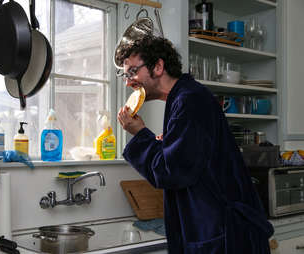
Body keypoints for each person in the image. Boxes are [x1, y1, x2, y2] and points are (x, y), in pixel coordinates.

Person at [116, 35, 274, 254]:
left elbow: (172, 171)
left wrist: (140, 133)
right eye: (125, 75)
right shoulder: (184, 98)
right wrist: (165, 144)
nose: (128, 82)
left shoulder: (190, 100)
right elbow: (187, 161)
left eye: (133, 71)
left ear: (159, 66)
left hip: (224, 235)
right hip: (214, 228)